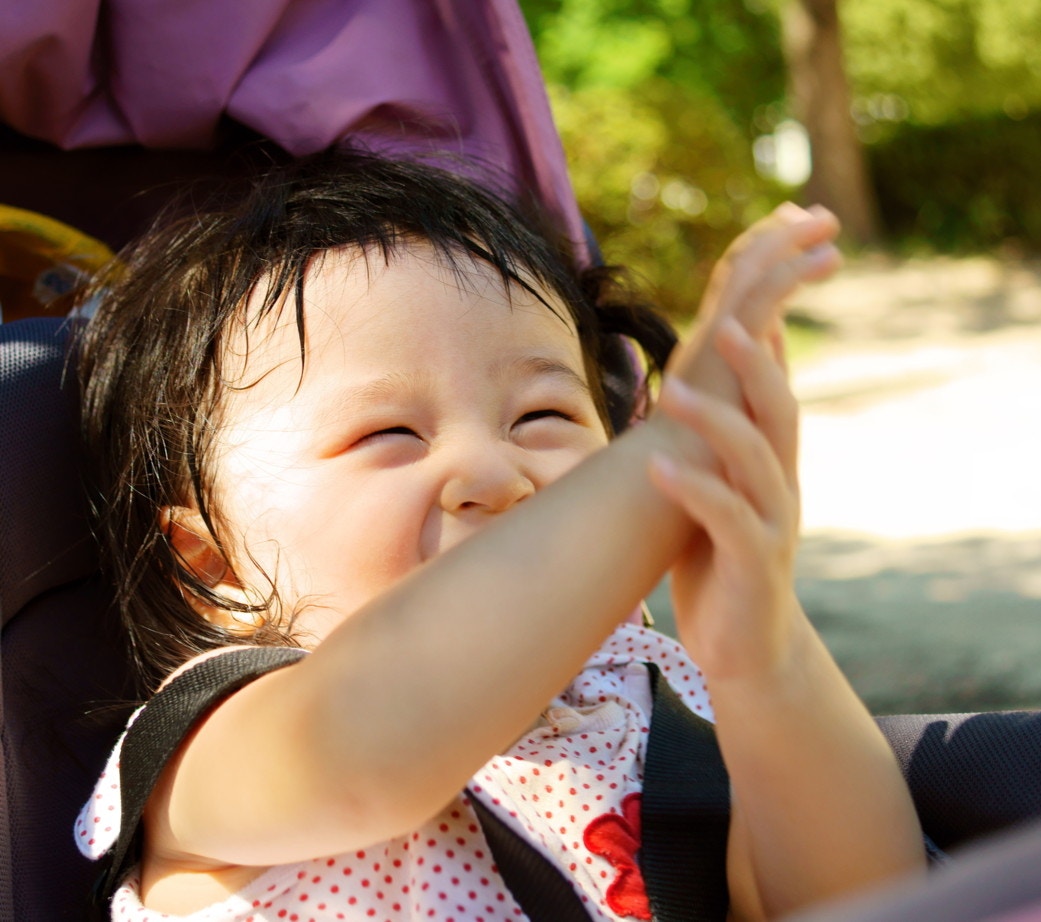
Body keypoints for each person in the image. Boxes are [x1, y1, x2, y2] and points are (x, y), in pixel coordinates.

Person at [74, 149, 924, 922]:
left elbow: (854, 899)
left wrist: (763, 658)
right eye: (389, 435)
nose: (494, 473)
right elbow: (370, 748)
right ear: (212, 560)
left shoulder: (654, 701)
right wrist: (660, 462)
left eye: (543, 414)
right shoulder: (213, 741)